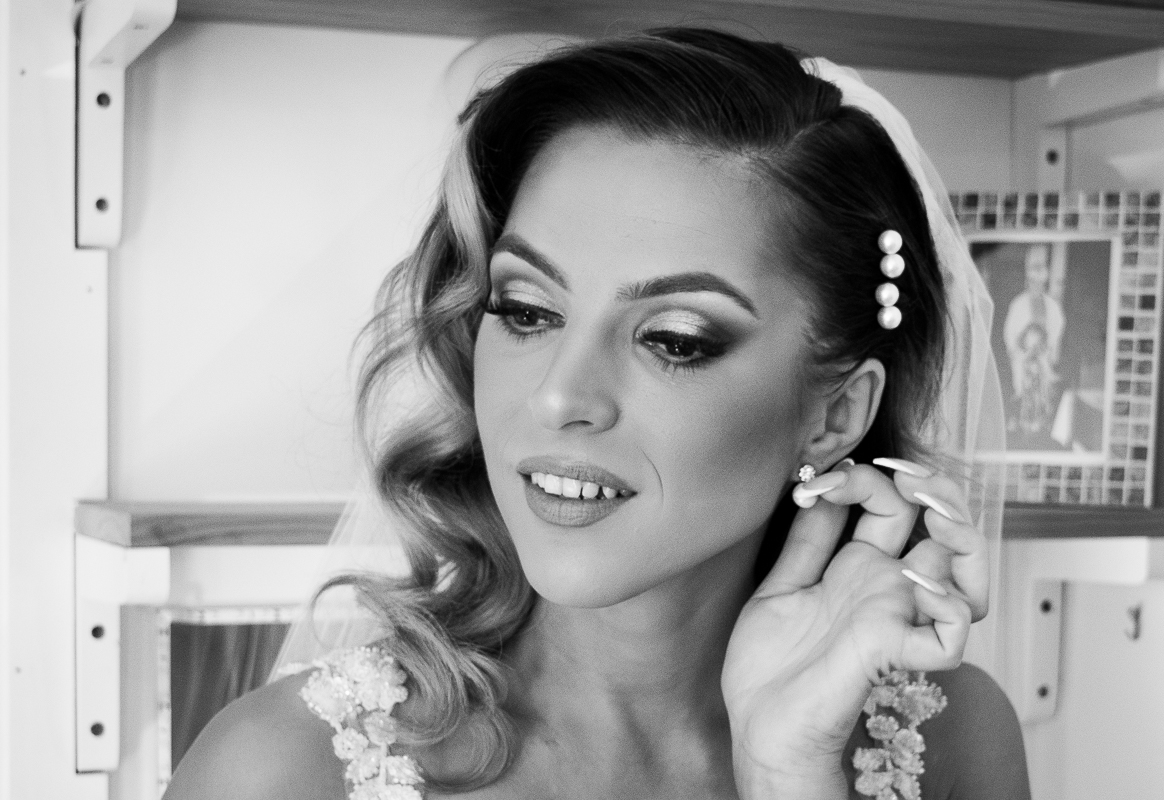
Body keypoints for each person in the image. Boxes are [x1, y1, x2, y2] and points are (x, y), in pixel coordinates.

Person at [165, 28, 1027, 800]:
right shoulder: (280, 770)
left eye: (675, 340)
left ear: (834, 414)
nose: (558, 396)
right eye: (528, 311)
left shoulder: (946, 740)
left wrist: (789, 775)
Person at [1003, 243, 1065, 445]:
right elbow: (1010, 335)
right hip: (1023, 362)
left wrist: (1044, 348)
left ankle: (1041, 433)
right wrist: (1023, 350)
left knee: (1043, 398)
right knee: (1023, 397)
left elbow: (1057, 327)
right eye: (1032, 279)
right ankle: (1022, 432)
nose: (1036, 284)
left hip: (1042, 363)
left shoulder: (1052, 306)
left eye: (1040, 279)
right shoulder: (1018, 304)